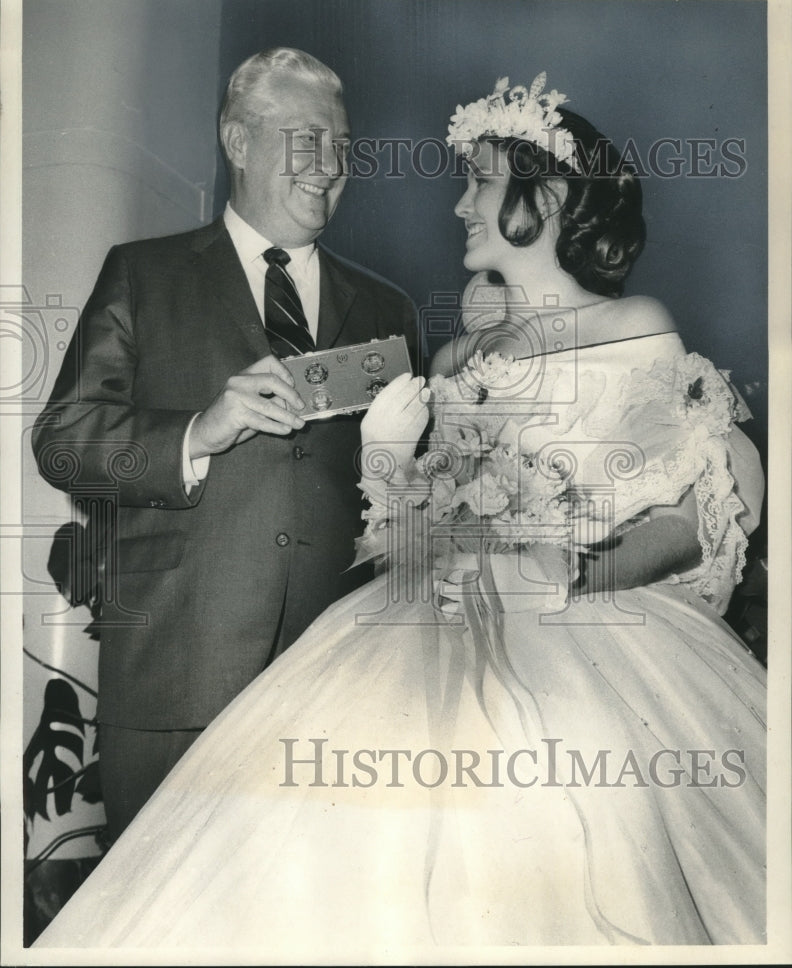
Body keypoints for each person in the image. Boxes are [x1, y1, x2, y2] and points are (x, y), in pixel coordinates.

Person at [35, 72, 766, 951]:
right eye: (308, 142)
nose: (458, 205)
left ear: (555, 196)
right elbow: (408, 519)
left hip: (577, 640)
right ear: (237, 140)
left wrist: (559, 573)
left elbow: (691, 505)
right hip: (380, 633)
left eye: (481, 182)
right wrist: (386, 464)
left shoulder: (602, 321)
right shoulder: (450, 349)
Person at [30, 47, 418, 841]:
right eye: (309, 140)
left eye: (344, 146)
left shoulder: (388, 308)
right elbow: (64, 443)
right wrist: (196, 433)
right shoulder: (142, 275)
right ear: (237, 141)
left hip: (336, 695)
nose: (333, 166)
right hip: (176, 688)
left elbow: (413, 511)